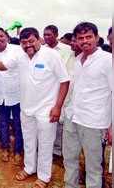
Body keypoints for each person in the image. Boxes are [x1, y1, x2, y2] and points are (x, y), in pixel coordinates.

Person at [2, 27, 69, 188]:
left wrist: (57, 107)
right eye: (24, 43)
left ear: (39, 40)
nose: (27, 45)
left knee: (46, 144)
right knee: (29, 142)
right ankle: (29, 168)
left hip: (46, 111)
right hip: (26, 109)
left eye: (31, 41)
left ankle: (44, 177)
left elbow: (64, 81)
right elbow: (3, 66)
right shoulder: (21, 56)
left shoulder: (51, 55)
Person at [63, 22, 112, 188]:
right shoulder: (77, 60)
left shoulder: (108, 60)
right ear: (76, 40)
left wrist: (113, 126)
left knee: (93, 167)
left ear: (97, 38)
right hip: (72, 117)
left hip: (94, 122)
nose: (84, 41)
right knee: (69, 159)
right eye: (80, 38)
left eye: (88, 37)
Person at [0, 27, 24, 165]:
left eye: (1, 36)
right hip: (0, 96)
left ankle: (18, 151)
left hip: (17, 95)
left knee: (19, 125)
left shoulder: (16, 50)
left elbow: (3, 66)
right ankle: (5, 149)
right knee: (3, 125)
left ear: (6, 36)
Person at [43, 25, 73, 157]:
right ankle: (47, 147)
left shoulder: (67, 50)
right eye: (44, 35)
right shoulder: (42, 50)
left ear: (56, 35)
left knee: (60, 118)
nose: (46, 37)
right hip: (46, 89)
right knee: (47, 117)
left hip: (62, 87)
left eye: (49, 35)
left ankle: (58, 150)